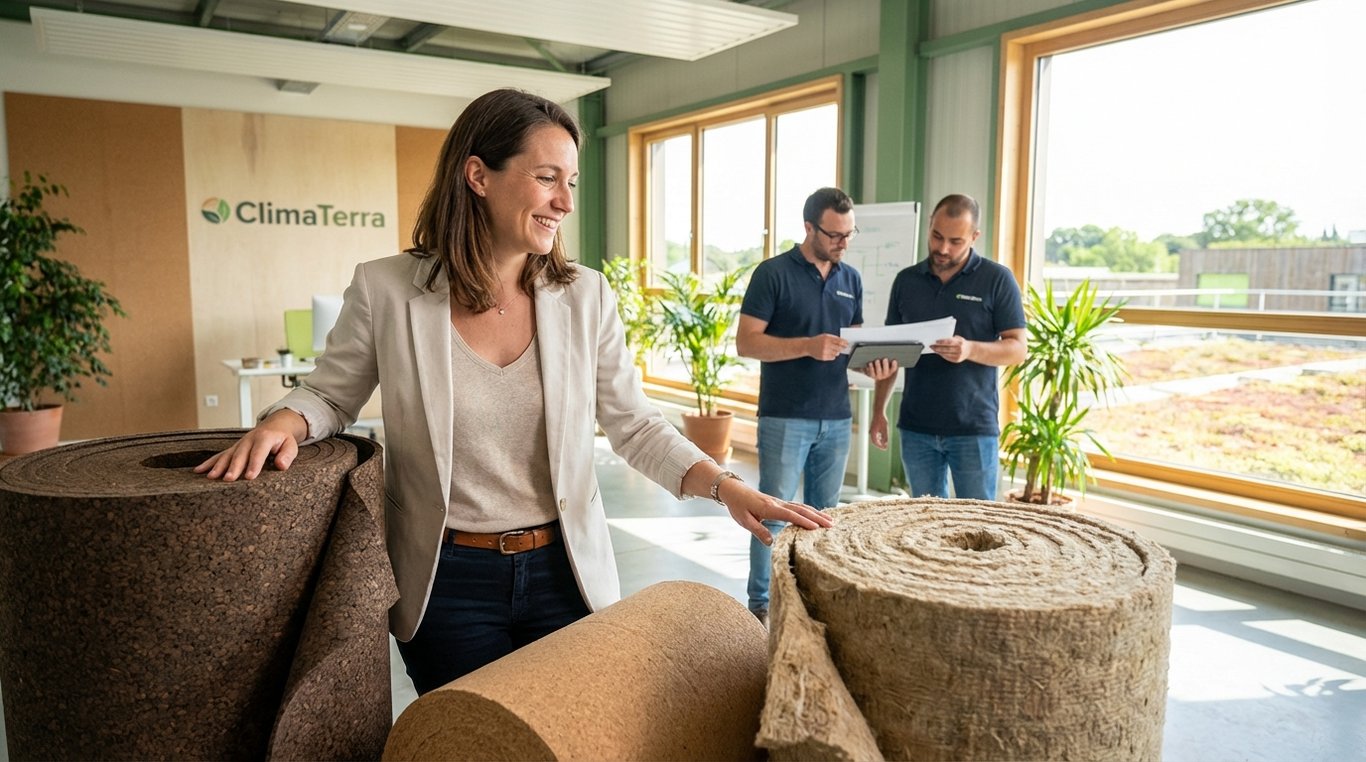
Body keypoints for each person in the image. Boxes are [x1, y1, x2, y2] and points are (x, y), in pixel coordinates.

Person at [195, 88, 832, 694]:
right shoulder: (386, 290)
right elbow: (332, 397)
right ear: (478, 175)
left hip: (565, 573)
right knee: (474, 741)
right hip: (447, 582)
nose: (565, 202)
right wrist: (284, 422)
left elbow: (633, 424)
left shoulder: (585, 296)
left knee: (562, 739)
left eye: (571, 183)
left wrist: (723, 486)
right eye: (547, 177)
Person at [735, 187, 898, 621]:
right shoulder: (772, 274)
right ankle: (761, 607)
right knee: (771, 515)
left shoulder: (851, 279)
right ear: (809, 228)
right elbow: (747, 343)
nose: (843, 243)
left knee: (824, 519)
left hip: (837, 416)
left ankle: (813, 600)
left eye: (849, 234)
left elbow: (855, 345)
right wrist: (807, 345)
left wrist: (876, 365)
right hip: (785, 417)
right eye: (834, 235)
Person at [869, 193, 1027, 500]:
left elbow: (1018, 349)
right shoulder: (906, 281)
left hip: (973, 429)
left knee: (978, 526)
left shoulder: (997, 279)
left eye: (955, 241)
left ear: (974, 236)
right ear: (929, 226)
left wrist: (970, 350)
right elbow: (892, 350)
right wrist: (879, 411)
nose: (943, 248)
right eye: (937, 236)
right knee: (926, 528)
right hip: (916, 428)